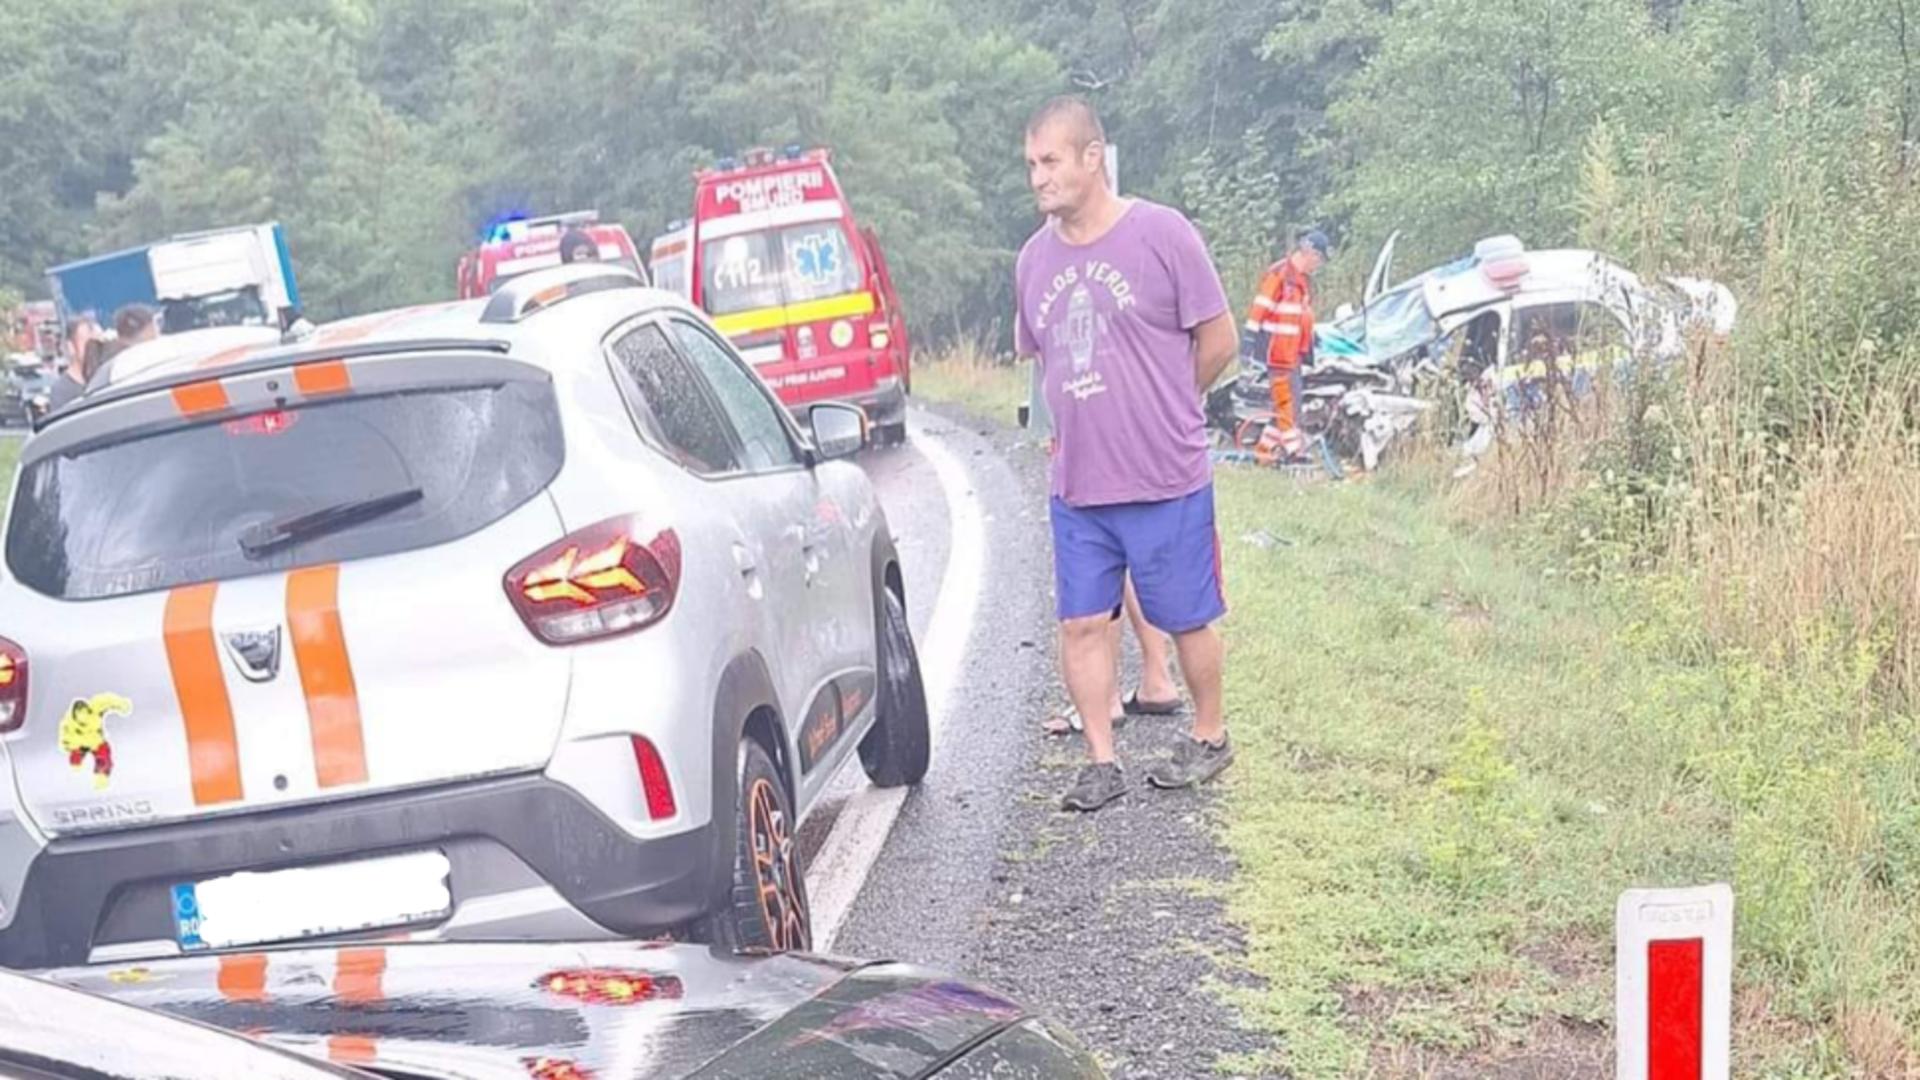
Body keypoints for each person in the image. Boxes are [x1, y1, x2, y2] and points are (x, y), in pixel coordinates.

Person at [1016, 96, 1239, 812]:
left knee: (1184, 615)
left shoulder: (1161, 234)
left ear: (1092, 158)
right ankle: (1101, 760)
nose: (1038, 179)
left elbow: (1220, 338)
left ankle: (1209, 736)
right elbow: (1039, 361)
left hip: (1164, 475)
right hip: (1080, 485)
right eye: (1030, 165)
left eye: (1050, 161)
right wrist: (1053, 427)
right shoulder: (1032, 260)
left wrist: (1179, 404)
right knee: (1082, 621)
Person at [1245, 229, 1330, 464]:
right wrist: (1249, 338)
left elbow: (1298, 316)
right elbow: (1261, 306)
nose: (1318, 265)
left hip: (1293, 353)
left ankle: (1263, 452)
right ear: (1310, 252)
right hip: (1278, 353)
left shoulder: (1301, 282)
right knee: (1287, 403)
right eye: (1319, 259)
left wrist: (1310, 338)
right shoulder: (1281, 274)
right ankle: (1295, 452)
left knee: (1285, 403)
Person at [46, 315, 100, 412]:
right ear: (71, 347)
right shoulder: (62, 391)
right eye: (88, 343)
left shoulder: (106, 379)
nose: (94, 349)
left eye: (98, 343)